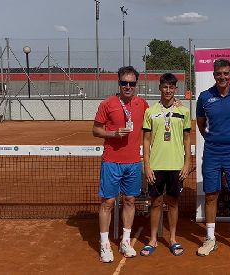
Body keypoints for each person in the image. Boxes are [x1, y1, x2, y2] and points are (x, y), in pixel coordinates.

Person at [196, 59, 230, 258]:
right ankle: (210, 238)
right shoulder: (204, 98)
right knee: (211, 195)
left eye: (226, 73)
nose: (222, 77)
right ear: (214, 75)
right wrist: (213, 140)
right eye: (219, 73)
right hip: (212, 152)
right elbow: (201, 124)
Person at [93, 66, 149, 263]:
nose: (127, 86)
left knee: (130, 201)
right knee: (108, 202)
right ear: (118, 83)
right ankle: (105, 243)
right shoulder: (107, 104)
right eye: (124, 82)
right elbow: (96, 130)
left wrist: (174, 103)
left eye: (131, 83)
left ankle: (125, 240)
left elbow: (155, 121)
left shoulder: (142, 104)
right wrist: (113, 134)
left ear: (136, 84)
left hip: (133, 162)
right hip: (111, 161)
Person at [140, 73, 191, 257]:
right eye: (165, 87)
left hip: (176, 165)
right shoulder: (150, 111)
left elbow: (187, 139)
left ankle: (173, 239)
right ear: (160, 87)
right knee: (155, 202)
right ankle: (153, 239)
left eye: (171, 87)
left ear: (175, 89)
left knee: (173, 203)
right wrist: (147, 165)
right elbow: (146, 140)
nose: (168, 90)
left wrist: (187, 162)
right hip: (156, 165)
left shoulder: (183, 111)